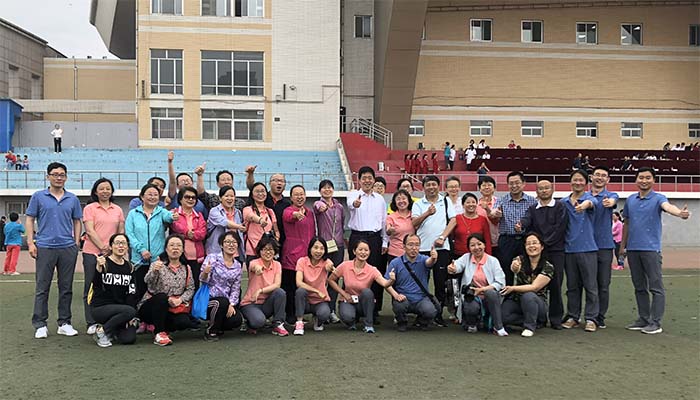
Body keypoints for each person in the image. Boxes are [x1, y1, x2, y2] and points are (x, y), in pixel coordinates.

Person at [621, 167, 691, 335]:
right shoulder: (630, 200)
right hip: (633, 250)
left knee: (656, 287)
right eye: (641, 177)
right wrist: (622, 246)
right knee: (639, 287)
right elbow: (627, 224)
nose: (644, 180)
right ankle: (643, 319)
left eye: (648, 178)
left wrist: (680, 213)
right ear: (636, 180)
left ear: (653, 180)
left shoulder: (659, 198)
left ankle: (655, 322)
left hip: (651, 250)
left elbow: (668, 207)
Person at [26, 162, 82, 339]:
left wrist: (76, 243)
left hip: (67, 247)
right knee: (42, 287)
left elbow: (77, 221)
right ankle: (40, 324)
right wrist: (31, 243)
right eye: (55, 174)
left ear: (66, 177)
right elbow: (30, 219)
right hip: (45, 246)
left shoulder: (72, 199)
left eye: (62, 174)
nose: (59, 177)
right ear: (48, 176)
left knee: (66, 287)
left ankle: (64, 323)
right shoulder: (38, 196)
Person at [518, 179, 568, 330]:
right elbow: (526, 220)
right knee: (536, 285)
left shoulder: (560, 206)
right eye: (541, 188)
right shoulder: (533, 208)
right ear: (536, 192)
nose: (544, 191)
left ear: (552, 190)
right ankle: (539, 318)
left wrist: (543, 244)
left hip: (556, 251)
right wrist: (521, 225)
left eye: (547, 188)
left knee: (556, 285)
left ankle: (555, 319)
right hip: (537, 253)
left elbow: (560, 228)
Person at [411, 175, 457, 327]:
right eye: (428, 185)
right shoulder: (418, 204)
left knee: (440, 282)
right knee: (420, 282)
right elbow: (414, 223)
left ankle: (438, 314)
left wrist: (443, 237)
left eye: (434, 184)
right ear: (423, 187)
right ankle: (421, 314)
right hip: (422, 248)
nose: (431, 187)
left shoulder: (446, 200)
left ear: (438, 186)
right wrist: (427, 213)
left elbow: (453, 220)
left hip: (442, 248)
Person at [137, 234, 198, 346]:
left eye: (178, 245)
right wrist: (154, 271)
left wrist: (180, 300)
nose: (175, 248)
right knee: (161, 298)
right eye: (172, 245)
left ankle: (165, 329)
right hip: (152, 306)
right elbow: (148, 282)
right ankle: (159, 333)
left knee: (184, 322)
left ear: (182, 249)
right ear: (166, 248)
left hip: (173, 307)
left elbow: (190, 289)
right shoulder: (157, 264)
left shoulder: (186, 268)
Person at [82, 178, 125, 335]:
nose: (105, 191)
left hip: (113, 255)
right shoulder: (90, 208)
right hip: (92, 252)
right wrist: (102, 247)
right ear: (95, 191)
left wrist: (115, 249)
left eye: (108, 188)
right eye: (101, 188)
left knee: (112, 287)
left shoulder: (117, 209)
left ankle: (110, 321)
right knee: (92, 287)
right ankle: (91, 321)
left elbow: (121, 231)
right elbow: (90, 230)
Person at [347, 166, 389, 318]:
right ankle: (354, 308)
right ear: (359, 180)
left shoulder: (380, 199)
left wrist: (385, 241)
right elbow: (351, 204)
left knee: (376, 272)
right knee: (354, 273)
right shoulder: (353, 194)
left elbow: (383, 221)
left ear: (374, 180)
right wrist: (355, 204)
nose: (367, 181)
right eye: (364, 178)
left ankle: (374, 309)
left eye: (369, 178)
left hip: (375, 238)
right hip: (357, 237)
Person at [560, 169, 599, 332]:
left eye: (581, 180)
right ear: (570, 182)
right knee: (572, 287)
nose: (578, 183)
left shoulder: (590, 199)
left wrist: (583, 205)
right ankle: (573, 316)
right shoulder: (563, 202)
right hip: (569, 250)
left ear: (586, 183)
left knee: (590, 286)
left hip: (588, 249)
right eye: (575, 180)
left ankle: (591, 318)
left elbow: (591, 203)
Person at [328, 240, 395, 333]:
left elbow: (385, 284)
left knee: (367, 292)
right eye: (360, 250)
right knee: (348, 317)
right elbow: (330, 280)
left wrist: (391, 280)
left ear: (369, 252)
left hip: (364, 303)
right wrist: (343, 293)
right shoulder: (345, 265)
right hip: (348, 300)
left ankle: (368, 325)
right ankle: (352, 321)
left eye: (366, 250)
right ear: (354, 251)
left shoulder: (372, 270)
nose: (363, 252)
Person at [448, 233, 507, 336]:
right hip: (473, 296)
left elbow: (500, 283)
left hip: (490, 297)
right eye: (472, 245)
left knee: (490, 293)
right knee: (470, 305)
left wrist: (482, 289)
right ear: (469, 248)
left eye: (479, 244)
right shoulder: (466, 258)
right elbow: (457, 265)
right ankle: (472, 323)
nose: (476, 248)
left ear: (484, 245)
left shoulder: (493, 261)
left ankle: (498, 327)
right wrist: (452, 268)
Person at [125, 183, 177, 300]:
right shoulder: (133, 214)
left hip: (157, 261)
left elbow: (168, 216)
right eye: (150, 194)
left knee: (158, 292)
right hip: (138, 260)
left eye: (155, 195)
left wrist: (173, 216)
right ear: (142, 197)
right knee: (137, 291)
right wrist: (141, 249)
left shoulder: (161, 212)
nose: (153, 197)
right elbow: (130, 235)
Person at [88, 233, 139, 347]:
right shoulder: (104, 263)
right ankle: (102, 331)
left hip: (121, 310)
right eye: (117, 243)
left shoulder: (130, 267)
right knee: (129, 311)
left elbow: (132, 293)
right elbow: (96, 286)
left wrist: (131, 315)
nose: (121, 246)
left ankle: (112, 330)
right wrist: (98, 269)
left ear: (127, 247)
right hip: (101, 308)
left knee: (128, 338)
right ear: (111, 246)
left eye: (123, 243)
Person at [500, 232, 554, 337]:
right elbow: (514, 267)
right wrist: (514, 267)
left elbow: (534, 287)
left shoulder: (548, 267)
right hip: (518, 300)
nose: (531, 246)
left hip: (537, 303)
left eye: (534, 243)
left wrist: (513, 288)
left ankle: (529, 327)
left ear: (542, 246)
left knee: (528, 295)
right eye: (528, 244)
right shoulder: (520, 260)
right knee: (502, 316)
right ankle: (530, 320)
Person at [385, 234, 438, 332]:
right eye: (410, 245)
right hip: (404, 298)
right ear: (404, 246)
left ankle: (421, 322)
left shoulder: (423, 259)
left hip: (421, 299)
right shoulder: (395, 263)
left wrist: (433, 258)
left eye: (417, 245)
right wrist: (396, 295)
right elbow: (386, 284)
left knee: (430, 311)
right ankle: (402, 322)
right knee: (399, 306)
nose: (414, 248)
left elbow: (429, 262)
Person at [240, 235, 289, 336]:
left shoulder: (277, 265)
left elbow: (277, 284)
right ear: (260, 251)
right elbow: (255, 267)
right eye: (264, 249)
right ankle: (249, 322)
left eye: (270, 249)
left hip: (266, 303)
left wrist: (260, 290)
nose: (268, 252)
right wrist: (258, 269)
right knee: (258, 322)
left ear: (274, 251)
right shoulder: (254, 262)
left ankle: (278, 324)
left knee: (280, 292)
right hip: (251, 303)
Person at [589, 166, 619, 329]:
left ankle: (600, 316)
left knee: (603, 284)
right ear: (591, 177)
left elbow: (613, 201)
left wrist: (610, 203)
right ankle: (588, 315)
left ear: (608, 179)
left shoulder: (611, 196)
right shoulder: (583, 197)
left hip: (605, 246)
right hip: (586, 246)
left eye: (603, 176)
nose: (600, 178)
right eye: (597, 175)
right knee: (588, 283)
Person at [281, 185, 316, 323]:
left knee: (301, 288)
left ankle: (300, 313)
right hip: (292, 256)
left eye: (302, 194)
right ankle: (290, 315)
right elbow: (290, 217)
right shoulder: (288, 211)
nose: (299, 197)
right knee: (290, 287)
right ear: (291, 197)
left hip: (307, 256)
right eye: (296, 194)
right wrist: (296, 215)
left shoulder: (309, 213)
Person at [200, 231, 244, 341]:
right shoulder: (212, 258)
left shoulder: (238, 266)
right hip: (209, 300)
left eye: (234, 242)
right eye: (227, 242)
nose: (231, 245)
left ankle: (218, 325)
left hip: (225, 302)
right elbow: (202, 280)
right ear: (221, 245)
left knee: (236, 320)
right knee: (221, 302)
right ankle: (211, 331)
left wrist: (231, 304)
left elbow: (236, 288)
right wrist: (205, 272)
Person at [494, 171, 537, 285]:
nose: (514, 186)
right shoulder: (501, 200)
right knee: (506, 270)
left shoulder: (532, 201)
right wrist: (495, 213)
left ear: (523, 183)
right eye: (511, 183)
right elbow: (494, 212)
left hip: (525, 240)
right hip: (507, 240)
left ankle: (526, 294)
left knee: (527, 270)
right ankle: (507, 294)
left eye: (517, 182)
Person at [313, 179, 345, 323]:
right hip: (323, 247)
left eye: (329, 187)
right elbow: (318, 207)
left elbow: (342, 223)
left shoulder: (339, 207)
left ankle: (331, 310)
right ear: (320, 191)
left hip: (338, 245)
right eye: (324, 188)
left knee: (334, 278)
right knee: (320, 278)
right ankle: (319, 309)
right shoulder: (318, 204)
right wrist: (322, 207)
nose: (327, 190)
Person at [293, 237, 335, 335]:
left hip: (320, 301)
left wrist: (330, 266)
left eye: (322, 248)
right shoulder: (302, 261)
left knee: (324, 314)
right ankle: (299, 322)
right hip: (305, 301)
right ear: (310, 248)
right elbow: (299, 283)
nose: (318, 251)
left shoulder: (326, 262)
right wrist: (316, 291)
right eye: (315, 247)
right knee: (300, 291)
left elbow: (330, 265)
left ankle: (318, 320)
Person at [170, 186, 207, 290]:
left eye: (193, 197)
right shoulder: (174, 213)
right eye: (187, 197)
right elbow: (175, 226)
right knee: (178, 285)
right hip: (179, 256)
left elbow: (202, 233)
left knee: (195, 285)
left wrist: (192, 235)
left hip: (196, 257)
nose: (190, 199)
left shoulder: (199, 215)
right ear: (180, 199)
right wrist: (187, 232)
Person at [245, 166, 292, 248]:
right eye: (276, 180)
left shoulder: (287, 204)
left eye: (282, 181)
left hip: (279, 243)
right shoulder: (263, 197)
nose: (279, 183)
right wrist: (250, 174)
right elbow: (252, 187)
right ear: (269, 183)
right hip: (257, 242)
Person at [243, 182, 280, 263]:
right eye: (257, 191)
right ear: (252, 195)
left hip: (268, 252)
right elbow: (251, 216)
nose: (260, 194)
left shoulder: (270, 211)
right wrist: (260, 220)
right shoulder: (247, 209)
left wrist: (275, 241)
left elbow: (276, 230)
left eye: (263, 191)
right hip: (253, 250)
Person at [205, 186, 246, 259]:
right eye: (226, 196)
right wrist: (239, 226)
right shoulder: (214, 211)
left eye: (232, 196)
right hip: (217, 252)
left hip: (235, 252)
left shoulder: (238, 212)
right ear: (220, 198)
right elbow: (224, 222)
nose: (229, 198)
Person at [166, 152, 208, 218]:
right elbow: (172, 182)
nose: (186, 183)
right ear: (177, 185)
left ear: (192, 183)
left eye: (188, 180)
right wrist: (170, 162)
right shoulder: (174, 196)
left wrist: (199, 175)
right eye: (183, 181)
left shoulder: (197, 197)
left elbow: (201, 191)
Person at [386, 190, 416, 265]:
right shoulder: (391, 217)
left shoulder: (414, 215)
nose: (401, 201)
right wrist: (390, 230)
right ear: (395, 202)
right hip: (395, 254)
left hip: (412, 253)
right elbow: (388, 230)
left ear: (409, 201)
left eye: (404, 198)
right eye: (398, 199)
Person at [477, 176, 501, 259]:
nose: (486, 187)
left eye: (489, 185)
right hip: (481, 243)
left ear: (494, 188)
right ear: (479, 189)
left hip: (498, 242)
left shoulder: (500, 203)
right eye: (484, 185)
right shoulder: (475, 205)